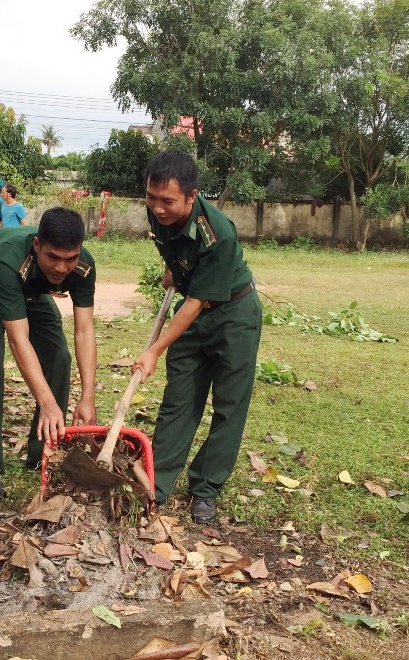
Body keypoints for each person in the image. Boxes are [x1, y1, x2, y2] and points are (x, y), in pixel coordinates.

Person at [131, 150, 262, 524]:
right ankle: (157, 484)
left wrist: (154, 350)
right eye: (151, 198)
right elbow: (169, 245)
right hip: (192, 309)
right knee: (179, 400)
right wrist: (173, 268)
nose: (157, 208)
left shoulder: (216, 232)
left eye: (167, 201)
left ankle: (205, 488)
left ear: (192, 195)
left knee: (229, 406)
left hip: (232, 316)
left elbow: (194, 304)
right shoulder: (158, 211)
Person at [0, 208, 98, 502]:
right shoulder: (10, 259)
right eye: (53, 258)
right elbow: (18, 338)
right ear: (37, 245)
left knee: (59, 357)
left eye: (69, 259)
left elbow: (84, 330)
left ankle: (41, 456)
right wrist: (47, 402)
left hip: (31, 294)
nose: (62, 268)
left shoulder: (84, 265)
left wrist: (88, 396)